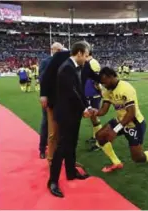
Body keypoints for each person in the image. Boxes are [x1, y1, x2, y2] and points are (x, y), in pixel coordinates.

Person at [47, 41, 100, 198]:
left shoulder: (74, 67)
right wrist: (84, 108)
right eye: (86, 55)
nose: (87, 58)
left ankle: (71, 172)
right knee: (62, 146)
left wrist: (87, 106)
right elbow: (71, 93)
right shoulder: (66, 68)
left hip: (73, 113)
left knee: (72, 143)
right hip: (66, 114)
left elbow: (79, 91)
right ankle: (52, 181)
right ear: (79, 53)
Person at [94, 67, 148, 173]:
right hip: (120, 120)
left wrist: (115, 130)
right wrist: (94, 112)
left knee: (138, 158)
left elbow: (131, 114)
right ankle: (116, 163)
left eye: (104, 82)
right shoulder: (107, 91)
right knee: (100, 136)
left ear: (111, 77)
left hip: (134, 124)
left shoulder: (125, 88)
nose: (103, 85)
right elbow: (103, 110)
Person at [40, 42, 65, 165]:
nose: (59, 52)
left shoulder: (60, 61)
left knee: (56, 127)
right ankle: (42, 149)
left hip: (58, 98)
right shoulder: (47, 61)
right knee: (47, 124)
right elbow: (43, 79)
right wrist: (43, 95)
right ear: (53, 50)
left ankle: (55, 152)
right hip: (50, 99)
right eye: (58, 50)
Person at [84, 51, 102, 151]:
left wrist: (99, 92)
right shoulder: (88, 63)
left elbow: (97, 81)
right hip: (89, 93)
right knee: (92, 117)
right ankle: (95, 136)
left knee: (94, 116)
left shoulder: (93, 63)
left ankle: (99, 141)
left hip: (93, 94)